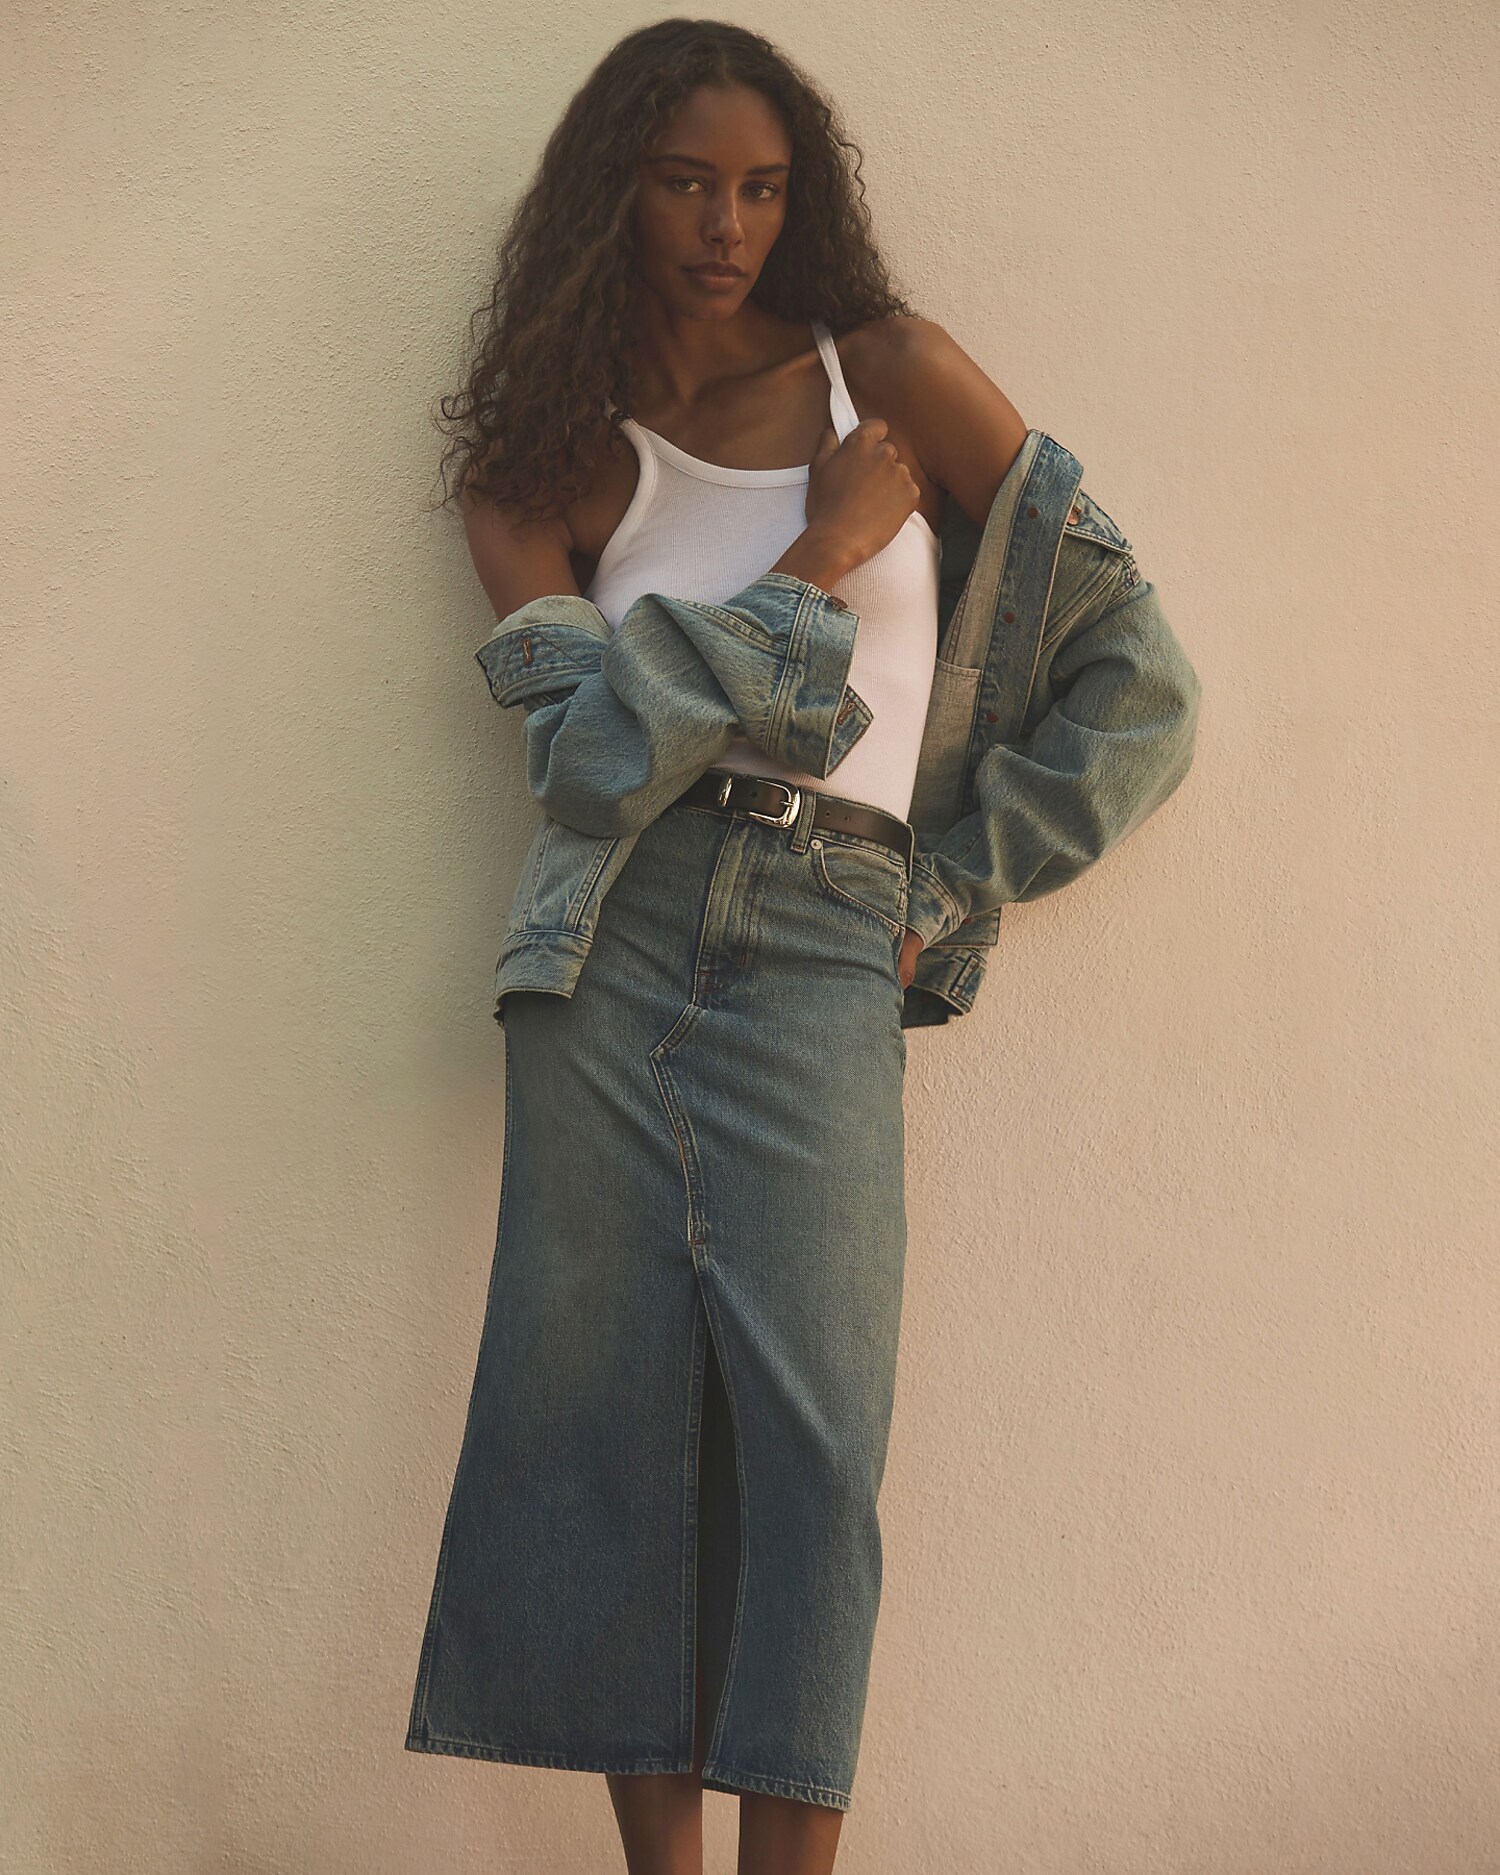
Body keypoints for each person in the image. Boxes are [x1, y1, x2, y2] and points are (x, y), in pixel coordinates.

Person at [406, 20, 1103, 1875]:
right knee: (613, 1429)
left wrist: (945, 893)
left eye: (765, 188)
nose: (729, 225)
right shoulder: (541, 468)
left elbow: (1136, 677)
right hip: (614, 943)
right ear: (612, 196)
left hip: (825, 936)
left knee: (818, 1449)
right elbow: (587, 763)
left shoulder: (893, 381)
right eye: (687, 184)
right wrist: (815, 565)